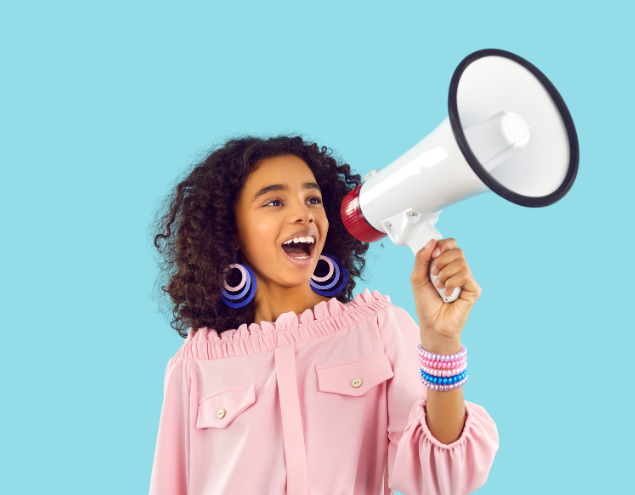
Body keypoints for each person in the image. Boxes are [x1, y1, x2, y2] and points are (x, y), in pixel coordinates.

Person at [148, 135, 498, 495]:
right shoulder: (194, 367)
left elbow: (443, 479)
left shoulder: (379, 329)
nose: (304, 214)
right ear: (230, 229)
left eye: (313, 199)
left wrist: (442, 342)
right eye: (274, 201)